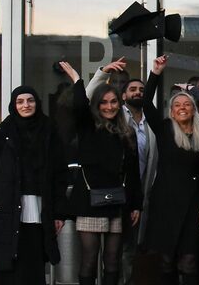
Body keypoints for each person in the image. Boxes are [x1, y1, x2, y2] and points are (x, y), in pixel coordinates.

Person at [0, 86, 69, 285]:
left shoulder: (49, 130)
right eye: (20, 101)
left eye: (30, 100)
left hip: (39, 211)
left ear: (37, 103)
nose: (26, 105)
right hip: (7, 209)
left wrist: (59, 212)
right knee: (5, 266)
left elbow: (59, 175)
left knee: (33, 265)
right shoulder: (2, 132)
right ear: (13, 105)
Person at [59, 62, 143, 285]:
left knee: (113, 259)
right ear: (97, 105)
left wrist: (136, 204)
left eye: (114, 101)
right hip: (89, 202)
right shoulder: (87, 128)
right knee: (89, 258)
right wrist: (79, 79)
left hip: (117, 203)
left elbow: (133, 172)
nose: (109, 106)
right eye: (104, 102)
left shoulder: (127, 133)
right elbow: (79, 106)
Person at [139, 57, 199, 285]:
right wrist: (155, 73)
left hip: (193, 206)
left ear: (194, 110)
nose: (182, 108)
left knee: (189, 261)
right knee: (165, 261)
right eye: (177, 105)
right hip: (165, 205)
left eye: (187, 104)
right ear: (171, 112)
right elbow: (145, 103)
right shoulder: (164, 130)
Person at [87, 58, 158, 285]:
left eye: (142, 90)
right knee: (108, 255)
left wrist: (138, 201)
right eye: (133, 89)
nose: (138, 92)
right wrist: (101, 73)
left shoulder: (153, 124)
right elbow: (85, 102)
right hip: (112, 196)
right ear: (123, 97)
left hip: (140, 195)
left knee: (130, 251)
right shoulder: (116, 119)